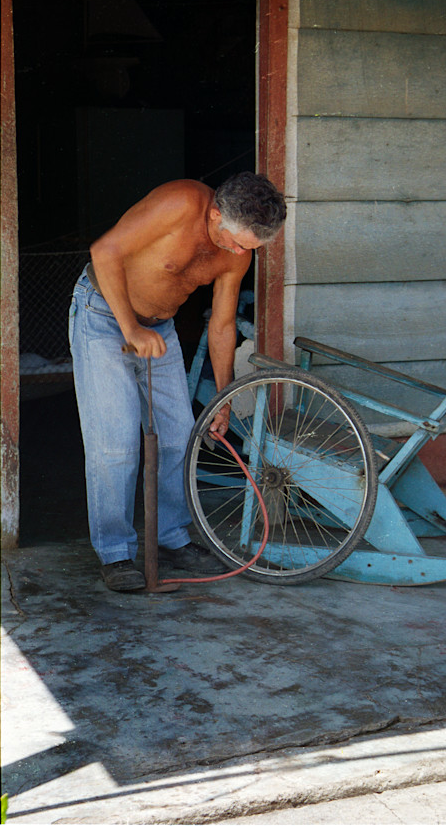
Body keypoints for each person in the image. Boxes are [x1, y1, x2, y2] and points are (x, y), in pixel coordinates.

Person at [69, 172, 286, 591]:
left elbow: (222, 326)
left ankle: (172, 537)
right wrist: (130, 329)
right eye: (236, 241)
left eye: (251, 248)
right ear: (215, 213)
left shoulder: (239, 252)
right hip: (103, 317)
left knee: (179, 436)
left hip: (159, 329)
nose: (241, 252)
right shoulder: (181, 202)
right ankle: (115, 554)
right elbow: (104, 250)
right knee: (114, 443)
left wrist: (223, 397)